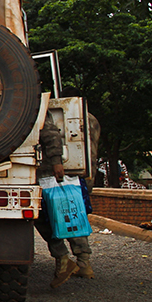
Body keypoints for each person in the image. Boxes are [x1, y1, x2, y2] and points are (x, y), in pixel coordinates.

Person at [36, 111, 94, 287]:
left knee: (50, 217)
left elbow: (50, 134)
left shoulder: (33, 105)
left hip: (46, 173)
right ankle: (83, 262)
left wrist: (56, 161)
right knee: (69, 212)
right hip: (45, 171)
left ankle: (64, 258)